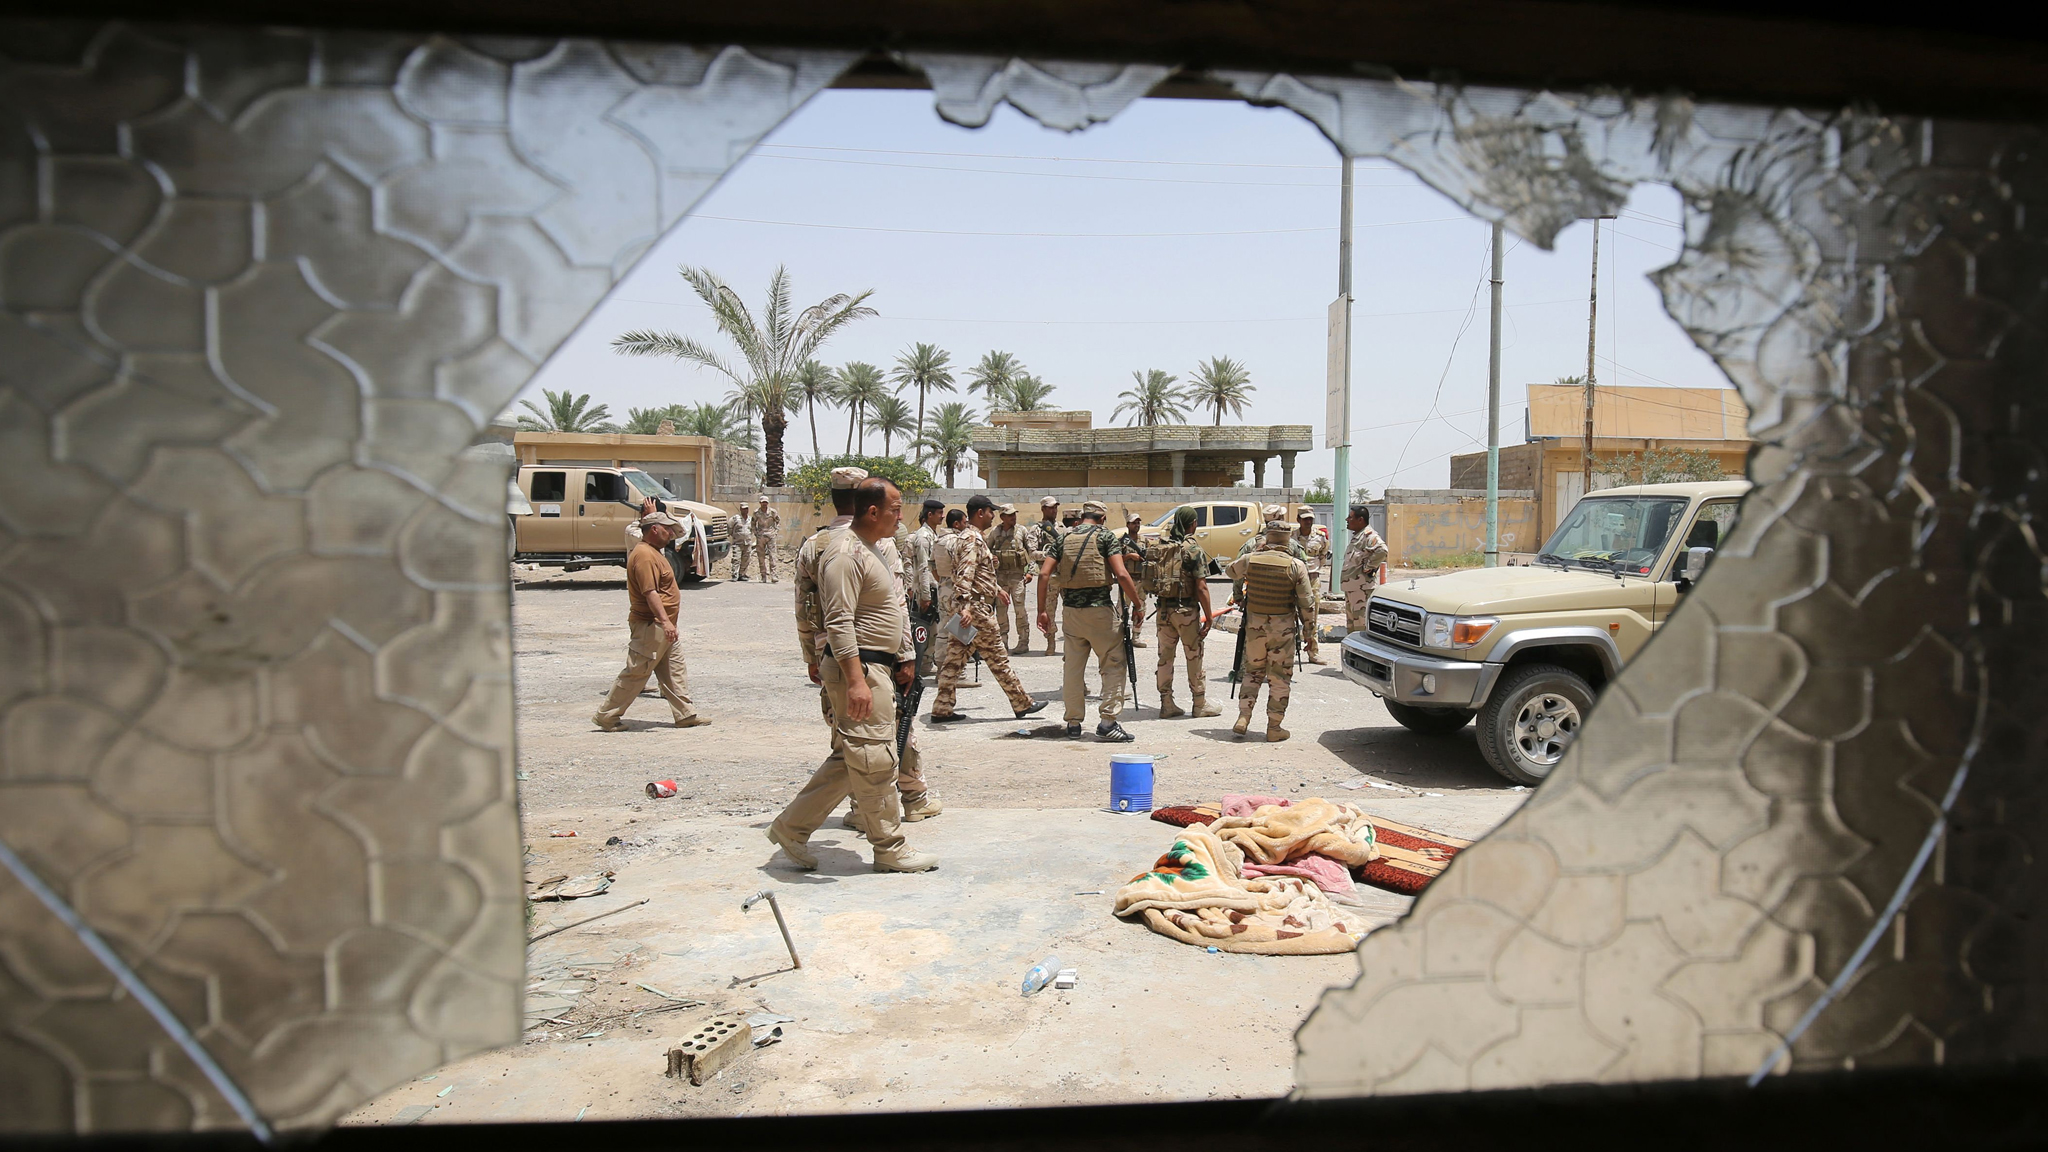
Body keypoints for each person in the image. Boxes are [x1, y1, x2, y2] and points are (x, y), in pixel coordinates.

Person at [766, 477, 937, 873]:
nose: (901, 517)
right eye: (896, 509)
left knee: (854, 757)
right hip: (860, 667)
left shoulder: (870, 548)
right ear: (873, 511)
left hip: (875, 666)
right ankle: (890, 849)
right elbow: (839, 621)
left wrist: (901, 657)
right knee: (875, 761)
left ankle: (792, 828)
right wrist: (857, 680)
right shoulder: (844, 553)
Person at [930, 495, 1047, 723]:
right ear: (980, 513)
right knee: (998, 657)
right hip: (974, 610)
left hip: (969, 606)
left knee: (954, 660)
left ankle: (942, 708)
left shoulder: (969, 537)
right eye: (990, 511)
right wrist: (965, 606)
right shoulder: (972, 538)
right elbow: (965, 572)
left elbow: (976, 573)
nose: (993, 516)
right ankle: (1022, 703)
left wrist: (995, 589)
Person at [592, 512, 710, 732]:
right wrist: (665, 621)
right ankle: (607, 716)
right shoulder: (644, 555)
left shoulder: (653, 552)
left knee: (674, 670)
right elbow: (650, 592)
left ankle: (685, 714)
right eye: (667, 529)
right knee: (637, 671)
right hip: (652, 625)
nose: (671, 533)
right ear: (654, 529)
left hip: (664, 627)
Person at [1038, 500, 1143, 742]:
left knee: (1073, 669)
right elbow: (1121, 574)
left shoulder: (1063, 538)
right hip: (1100, 612)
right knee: (1113, 664)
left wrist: (1042, 611)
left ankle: (1073, 723)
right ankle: (1107, 723)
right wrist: (1137, 605)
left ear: (1082, 516)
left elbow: (1044, 574)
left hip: (1071, 613)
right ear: (1102, 518)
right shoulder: (1105, 536)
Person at [1226, 520, 1316, 743]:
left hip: (1254, 628)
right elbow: (1307, 604)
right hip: (1282, 630)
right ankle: (1274, 727)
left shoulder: (1251, 559)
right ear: (1288, 540)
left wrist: (1254, 555)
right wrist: (1309, 633)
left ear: (1268, 537)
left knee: (1253, 672)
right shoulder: (1296, 565)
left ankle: (1243, 717)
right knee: (1279, 677)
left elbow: (1230, 571)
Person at [1149, 506, 1220, 719]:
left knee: (1165, 658)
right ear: (1192, 523)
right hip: (1186, 611)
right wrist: (1209, 617)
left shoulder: (1163, 547)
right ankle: (1199, 704)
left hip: (1163, 610)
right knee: (1194, 656)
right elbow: (1201, 587)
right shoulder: (1193, 549)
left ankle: (1166, 703)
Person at [987, 503, 1034, 653]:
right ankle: (1003, 643)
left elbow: (1031, 552)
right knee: (1001, 611)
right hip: (1000, 577)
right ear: (1002, 517)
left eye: (1014, 514)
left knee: (1020, 609)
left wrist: (1030, 572)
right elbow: (986, 551)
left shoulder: (1022, 531)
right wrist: (992, 560)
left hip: (1017, 576)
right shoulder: (995, 532)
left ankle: (1023, 642)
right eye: (1010, 515)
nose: (1013, 517)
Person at [907, 499, 945, 679]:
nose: (942, 517)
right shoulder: (923, 537)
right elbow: (923, 567)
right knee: (926, 629)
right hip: (927, 588)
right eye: (939, 513)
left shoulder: (932, 534)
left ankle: (927, 663)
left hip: (933, 587)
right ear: (930, 515)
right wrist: (925, 595)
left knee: (934, 628)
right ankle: (923, 664)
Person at [1339, 504, 1389, 633]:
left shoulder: (1369, 536)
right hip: (1352, 589)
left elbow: (1382, 550)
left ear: (1360, 520)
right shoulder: (1358, 537)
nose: (1347, 519)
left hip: (1361, 590)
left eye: (1350, 517)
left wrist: (1369, 566)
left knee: (1361, 627)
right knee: (1352, 628)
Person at [1026, 496, 1065, 654]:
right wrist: (1050, 554)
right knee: (1049, 610)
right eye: (1050, 507)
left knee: (1071, 609)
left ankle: (1072, 644)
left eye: (1055, 507)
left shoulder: (1062, 528)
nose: (1054, 510)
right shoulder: (1037, 529)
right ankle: (1051, 641)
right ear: (1043, 509)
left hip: (1065, 574)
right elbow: (1032, 553)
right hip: (1049, 575)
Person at [1293, 508, 1333, 664]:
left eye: (1310, 519)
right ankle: (1288, 651)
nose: (1308, 522)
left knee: (1312, 617)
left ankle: (1313, 652)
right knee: (1290, 616)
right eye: (1305, 519)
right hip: (1295, 581)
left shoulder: (1320, 537)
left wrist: (1313, 570)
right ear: (1298, 520)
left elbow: (1323, 556)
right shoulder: (1291, 538)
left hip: (1312, 580)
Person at [929, 508, 964, 673]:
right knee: (959, 629)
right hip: (956, 589)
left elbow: (932, 565)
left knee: (943, 630)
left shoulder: (939, 541)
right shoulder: (957, 541)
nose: (966, 526)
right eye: (964, 522)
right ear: (956, 524)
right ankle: (958, 672)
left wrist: (942, 580)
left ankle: (941, 669)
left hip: (943, 587)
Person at [1121, 512, 1152, 648]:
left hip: (1141, 579)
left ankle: (1136, 636)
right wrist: (1129, 556)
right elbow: (1115, 559)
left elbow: (1151, 558)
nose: (1137, 525)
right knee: (1122, 609)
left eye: (1138, 523)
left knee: (1140, 608)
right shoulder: (1122, 541)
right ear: (1128, 525)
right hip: (1127, 579)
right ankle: (1120, 636)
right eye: (1134, 523)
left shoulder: (1144, 541)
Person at [750, 495, 781, 582]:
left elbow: (778, 521)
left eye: (766, 502)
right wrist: (756, 533)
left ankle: (774, 575)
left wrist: (776, 531)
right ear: (760, 503)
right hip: (760, 536)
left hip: (771, 536)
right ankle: (763, 576)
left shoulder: (772, 512)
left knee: (772, 556)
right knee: (761, 557)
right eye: (763, 502)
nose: (764, 504)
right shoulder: (756, 513)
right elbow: (753, 523)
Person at [728, 501, 754, 581]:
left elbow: (752, 529)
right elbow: (729, 527)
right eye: (743, 509)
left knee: (746, 559)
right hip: (738, 543)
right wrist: (733, 535)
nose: (745, 510)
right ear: (740, 509)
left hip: (747, 543)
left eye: (746, 509)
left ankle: (742, 574)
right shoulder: (735, 518)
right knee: (736, 559)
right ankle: (734, 575)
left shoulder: (750, 519)